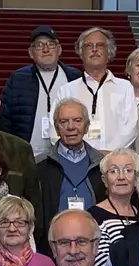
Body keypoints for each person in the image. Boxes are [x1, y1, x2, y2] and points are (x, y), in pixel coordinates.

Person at [50, 27, 138, 154]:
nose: (94, 49)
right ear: (81, 53)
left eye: (100, 45)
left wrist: (111, 153)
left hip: (115, 161)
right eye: (88, 45)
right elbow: (55, 127)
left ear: (110, 52)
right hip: (76, 159)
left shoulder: (125, 87)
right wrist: (83, 154)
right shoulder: (66, 90)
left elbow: (131, 127)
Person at [0, 25, 82, 158]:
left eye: (51, 44)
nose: (45, 49)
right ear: (31, 53)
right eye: (39, 45)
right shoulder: (18, 78)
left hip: (67, 155)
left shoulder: (74, 77)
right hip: (26, 155)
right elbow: (4, 118)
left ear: (59, 49)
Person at [35, 99, 107, 248]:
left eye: (77, 120)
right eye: (64, 121)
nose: (71, 127)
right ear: (56, 128)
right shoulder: (39, 165)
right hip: (53, 246)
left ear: (87, 126)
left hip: (95, 245)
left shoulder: (102, 165)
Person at [91, 148, 139, 266]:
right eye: (113, 171)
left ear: (136, 178)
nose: (121, 177)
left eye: (128, 170)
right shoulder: (94, 216)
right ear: (104, 180)